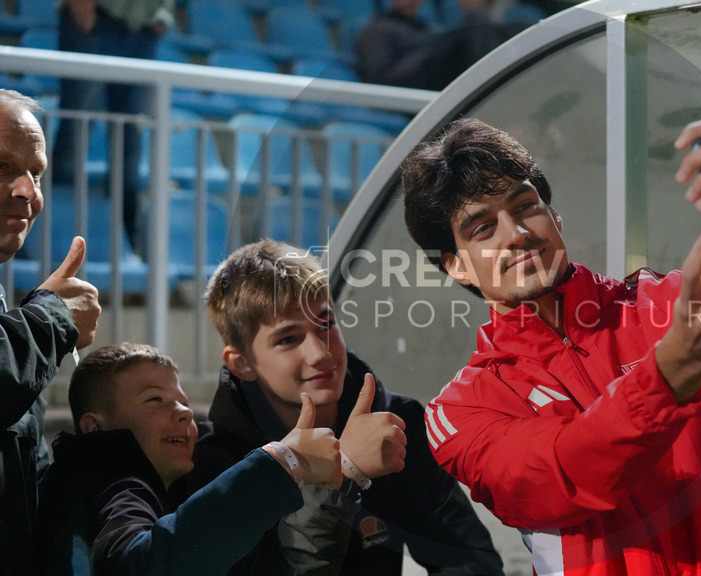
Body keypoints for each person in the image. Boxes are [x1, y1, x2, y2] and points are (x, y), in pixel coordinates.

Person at [401, 115, 701, 575]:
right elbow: (565, 472)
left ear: (554, 216)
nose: (516, 233)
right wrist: (670, 372)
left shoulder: (669, 303)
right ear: (456, 266)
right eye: (482, 228)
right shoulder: (458, 412)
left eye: (525, 206)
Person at [187, 239, 504, 575]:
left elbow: (469, 559)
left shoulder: (395, 421)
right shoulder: (215, 464)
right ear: (241, 363)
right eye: (288, 339)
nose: (321, 353)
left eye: (326, 325)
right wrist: (347, 469)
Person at [36, 342, 384, 576]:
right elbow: (137, 564)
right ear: (94, 428)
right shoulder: (113, 485)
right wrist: (280, 461)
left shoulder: (175, 481)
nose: (184, 413)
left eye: (182, 401)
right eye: (154, 400)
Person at [0, 89, 101, 576]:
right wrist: (54, 319)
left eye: (35, 173)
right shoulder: (35, 322)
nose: (26, 191)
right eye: (1, 167)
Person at [51, 0, 176, 248]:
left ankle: (124, 243)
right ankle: (54, 235)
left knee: (129, 135)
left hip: (143, 25)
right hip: (94, 17)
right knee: (76, 127)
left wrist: (163, 14)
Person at [356, 0, 524, 91]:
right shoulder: (377, 29)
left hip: (440, 74)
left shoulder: (424, 27)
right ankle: (491, 83)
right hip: (418, 79)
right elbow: (380, 77)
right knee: (476, 21)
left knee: (519, 26)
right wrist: (424, 58)